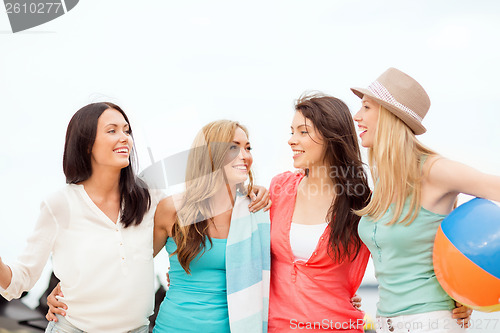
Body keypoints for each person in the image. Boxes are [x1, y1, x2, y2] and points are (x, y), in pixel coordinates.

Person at [352, 67, 498, 332]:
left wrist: (471, 288)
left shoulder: (433, 170)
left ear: (389, 115)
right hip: (386, 322)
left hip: (431, 322)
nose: (357, 116)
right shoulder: (384, 179)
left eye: (366, 107)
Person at [0, 102, 157, 332]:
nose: (124, 138)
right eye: (112, 130)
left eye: (126, 130)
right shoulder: (60, 204)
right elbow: (21, 278)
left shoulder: (150, 200)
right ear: (86, 145)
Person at [151, 120, 270, 333]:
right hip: (172, 327)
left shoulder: (256, 210)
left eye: (248, 148)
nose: (245, 156)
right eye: (233, 147)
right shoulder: (172, 209)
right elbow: (132, 263)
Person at [268, 94, 371, 332]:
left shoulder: (362, 202)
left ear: (332, 137)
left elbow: (397, 262)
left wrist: (456, 298)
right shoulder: (278, 189)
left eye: (303, 132)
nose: (292, 140)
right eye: (292, 131)